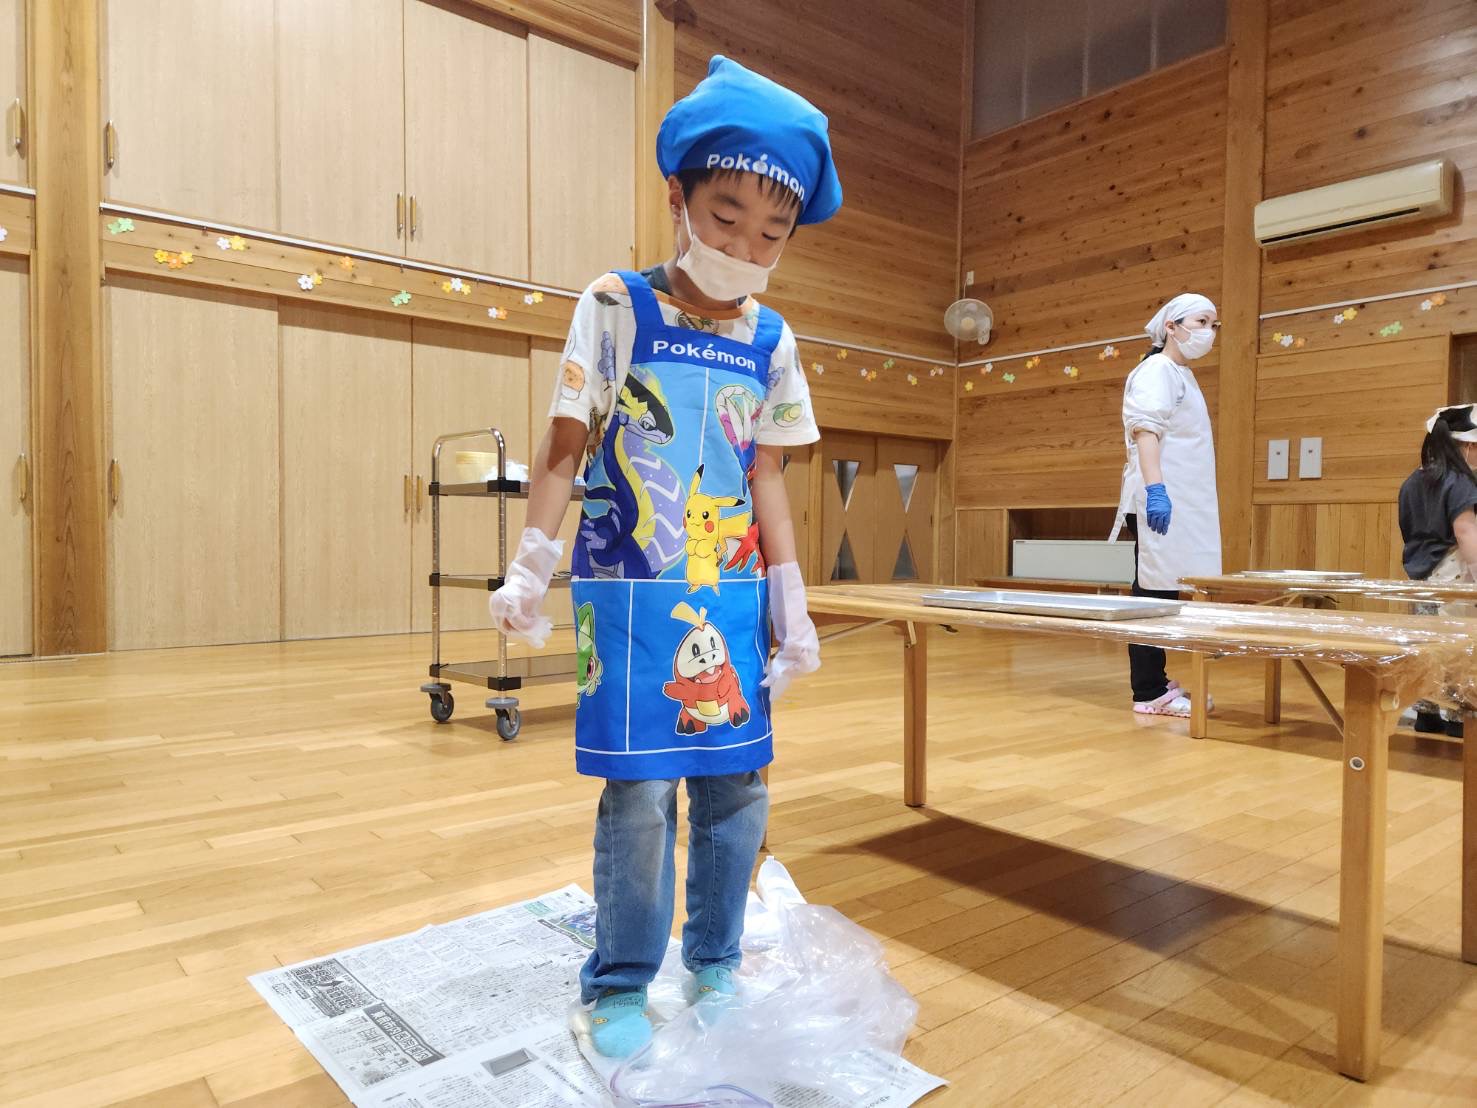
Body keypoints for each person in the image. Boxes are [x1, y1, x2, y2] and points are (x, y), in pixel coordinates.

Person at [487, 55, 839, 1058]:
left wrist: (793, 604)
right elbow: (565, 444)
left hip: (730, 594)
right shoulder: (616, 305)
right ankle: (619, 982)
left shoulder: (772, 339)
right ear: (677, 197)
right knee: (640, 797)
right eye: (725, 217)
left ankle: (716, 963)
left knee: (736, 789)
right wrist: (531, 564)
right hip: (628, 595)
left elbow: (767, 474)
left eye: (770, 233)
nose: (745, 247)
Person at [1109, 293, 1223, 717]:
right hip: (1160, 500)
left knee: (1164, 589)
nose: (1209, 331)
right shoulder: (1156, 370)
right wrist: (1156, 489)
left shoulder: (1180, 374)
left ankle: (1155, 682)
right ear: (1171, 327)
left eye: (1214, 324)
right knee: (1152, 592)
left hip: (1182, 501)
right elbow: (1146, 431)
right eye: (1201, 321)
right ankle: (1149, 692)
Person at [1398, 403, 1477, 738]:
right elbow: (1466, 532)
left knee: (1428, 647)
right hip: (1453, 575)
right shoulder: (1461, 481)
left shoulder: (1412, 481)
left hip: (1419, 577)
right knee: (1460, 648)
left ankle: (1426, 714)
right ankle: (1460, 720)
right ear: (1467, 446)